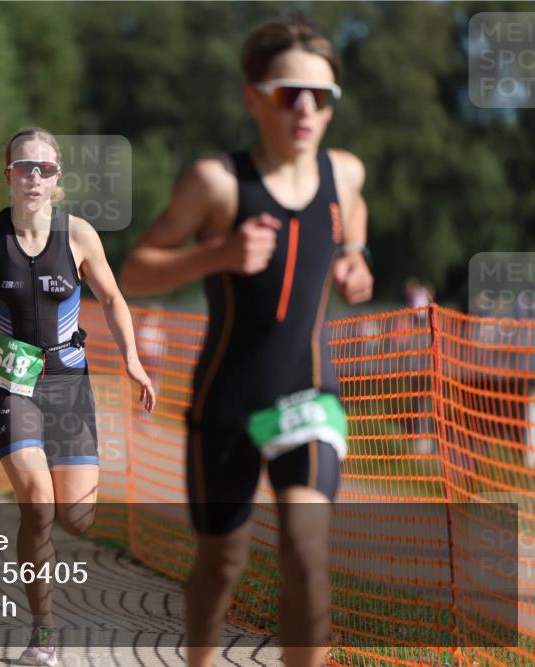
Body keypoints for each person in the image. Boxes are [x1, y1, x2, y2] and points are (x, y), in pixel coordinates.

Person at [120, 18, 372, 667]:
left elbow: (355, 209)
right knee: (221, 560)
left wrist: (354, 254)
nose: (308, 109)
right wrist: (219, 253)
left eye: (323, 97)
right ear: (252, 97)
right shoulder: (217, 182)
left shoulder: (343, 173)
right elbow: (135, 269)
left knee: (306, 550)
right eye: (291, 94)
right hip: (227, 401)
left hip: (308, 394)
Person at [0, 127, 156, 666]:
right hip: (10, 377)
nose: (33, 177)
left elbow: (114, 297)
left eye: (44, 169)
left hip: (68, 380)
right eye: (23, 168)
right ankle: (44, 633)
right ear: (7, 175)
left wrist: (132, 359)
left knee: (77, 517)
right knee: (39, 502)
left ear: (58, 181)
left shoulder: (78, 236)